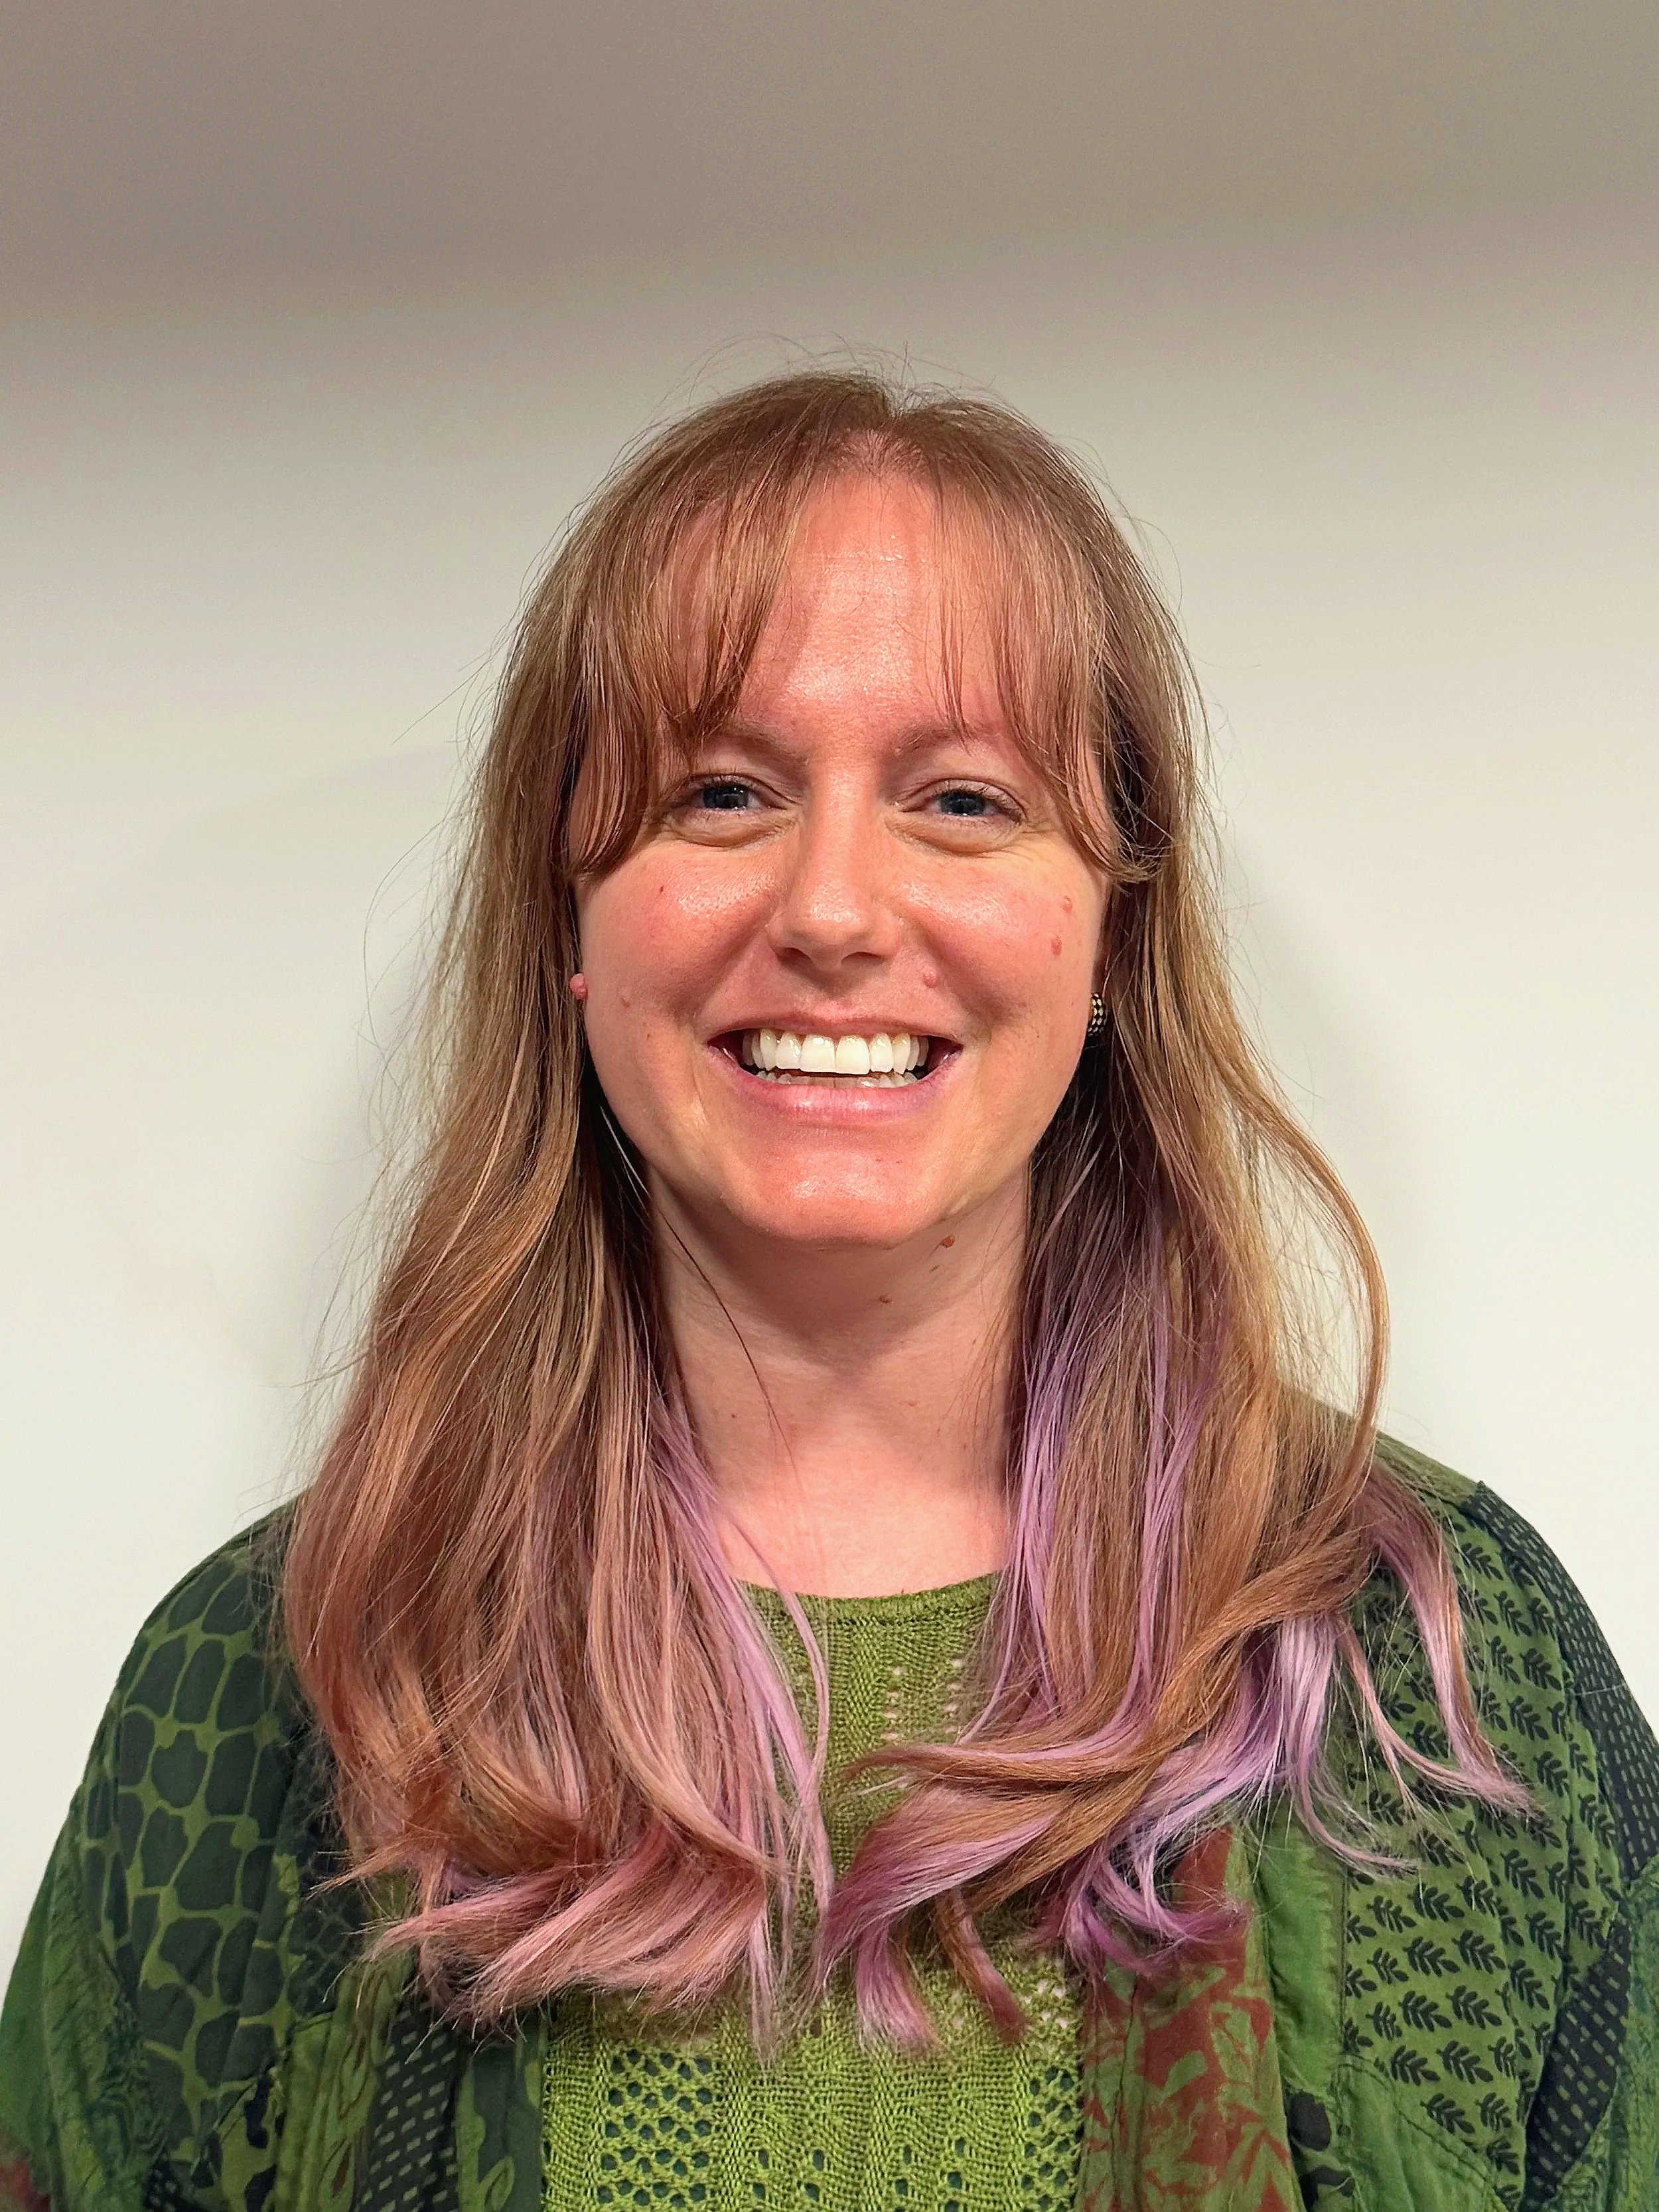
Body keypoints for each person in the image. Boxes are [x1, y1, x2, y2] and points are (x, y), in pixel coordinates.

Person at [3, 370, 1654, 2212]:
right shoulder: (260, 1692)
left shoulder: (1441, 1672)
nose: (836, 910)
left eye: (961, 799)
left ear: (1113, 928)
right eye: (721, 793)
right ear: (566, 917)